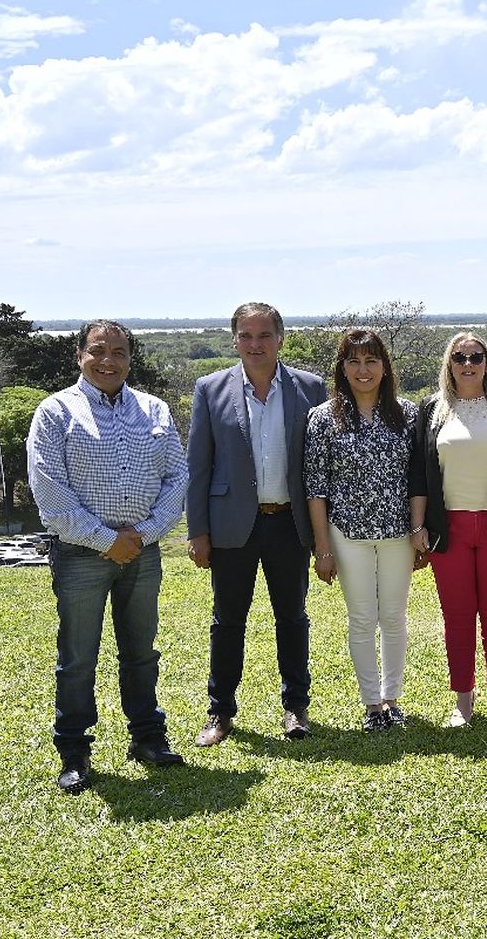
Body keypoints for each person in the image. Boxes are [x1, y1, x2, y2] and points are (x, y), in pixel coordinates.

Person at [27, 320, 188, 793]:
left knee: (141, 652)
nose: (108, 360)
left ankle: (147, 738)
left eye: (119, 351)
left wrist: (141, 535)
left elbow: (177, 478)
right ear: (80, 355)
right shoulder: (55, 412)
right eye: (98, 350)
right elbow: (49, 491)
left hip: (143, 551)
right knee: (78, 657)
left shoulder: (154, 410)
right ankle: (74, 750)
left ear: (129, 359)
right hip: (80, 555)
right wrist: (106, 540)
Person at [188, 302, 327, 746]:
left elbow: (322, 465)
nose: (255, 344)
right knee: (227, 621)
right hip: (232, 528)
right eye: (246, 336)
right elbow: (199, 467)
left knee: (292, 617)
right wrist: (197, 531)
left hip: (290, 524)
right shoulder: (210, 390)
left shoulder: (310, 388)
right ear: (234, 340)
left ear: (280, 338)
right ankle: (220, 712)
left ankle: (295, 708)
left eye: (264, 335)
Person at [410, 332, 487, 727]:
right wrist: (417, 526)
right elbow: (418, 473)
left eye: (476, 357)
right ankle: (463, 701)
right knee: (458, 616)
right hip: (449, 529)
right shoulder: (432, 408)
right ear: (449, 363)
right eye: (460, 357)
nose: (468, 364)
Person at [304, 330, 420, 732]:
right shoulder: (323, 417)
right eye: (353, 361)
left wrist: (420, 531)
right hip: (346, 534)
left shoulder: (407, 414)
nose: (363, 370)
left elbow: (418, 479)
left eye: (371, 360)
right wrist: (323, 547)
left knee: (393, 616)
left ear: (385, 367)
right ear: (342, 368)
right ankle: (371, 706)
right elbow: (315, 488)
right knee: (361, 618)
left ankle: (392, 700)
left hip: (398, 534)